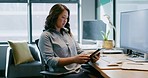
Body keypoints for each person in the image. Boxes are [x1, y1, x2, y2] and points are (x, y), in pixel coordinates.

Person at [38, 3, 104, 78]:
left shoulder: (67, 33)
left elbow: (79, 51)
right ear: (54, 17)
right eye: (63, 17)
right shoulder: (46, 36)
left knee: (100, 74)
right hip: (62, 74)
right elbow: (50, 61)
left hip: (77, 69)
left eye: (67, 18)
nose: (65, 21)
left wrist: (91, 57)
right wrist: (74, 59)